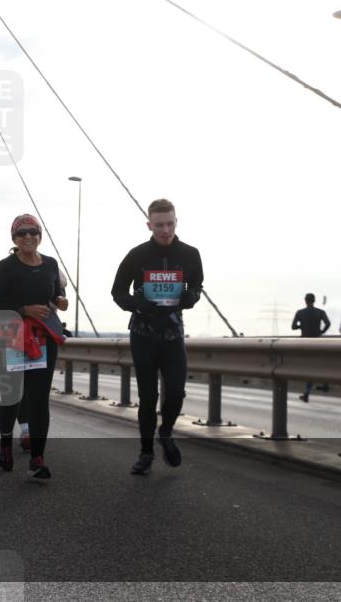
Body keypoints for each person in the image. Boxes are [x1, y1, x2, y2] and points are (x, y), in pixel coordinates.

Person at [111, 199, 204, 475]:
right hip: (143, 335)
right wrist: (136, 304)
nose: (165, 230)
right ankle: (146, 452)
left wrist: (191, 297)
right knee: (148, 397)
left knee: (176, 392)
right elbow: (118, 293)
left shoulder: (190, 254)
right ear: (149, 225)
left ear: (176, 222)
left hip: (173, 335)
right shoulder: (136, 255)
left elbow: (197, 285)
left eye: (170, 224)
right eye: (159, 225)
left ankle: (166, 432)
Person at [0, 215, 68, 479]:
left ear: (40, 234)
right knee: (12, 396)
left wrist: (60, 300)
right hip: (10, 336)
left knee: (39, 398)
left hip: (42, 338)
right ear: (14, 239)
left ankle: (38, 458)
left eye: (33, 231)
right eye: (22, 233)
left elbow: (54, 295)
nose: (28, 237)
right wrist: (23, 310)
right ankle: (6, 443)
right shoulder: (5, 267)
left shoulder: (51, 264)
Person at [293, 293, 331, 402]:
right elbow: (328, 323)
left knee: (308, 367)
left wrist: (302, 325)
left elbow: (293, 326)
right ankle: (325, 384)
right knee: (320, 364)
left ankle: (307, 393)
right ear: (314, 300)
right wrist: (321, 332)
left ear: (305, 300)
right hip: (317, 341)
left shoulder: (300, 313)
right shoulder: (320, 312)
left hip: (305, 343)